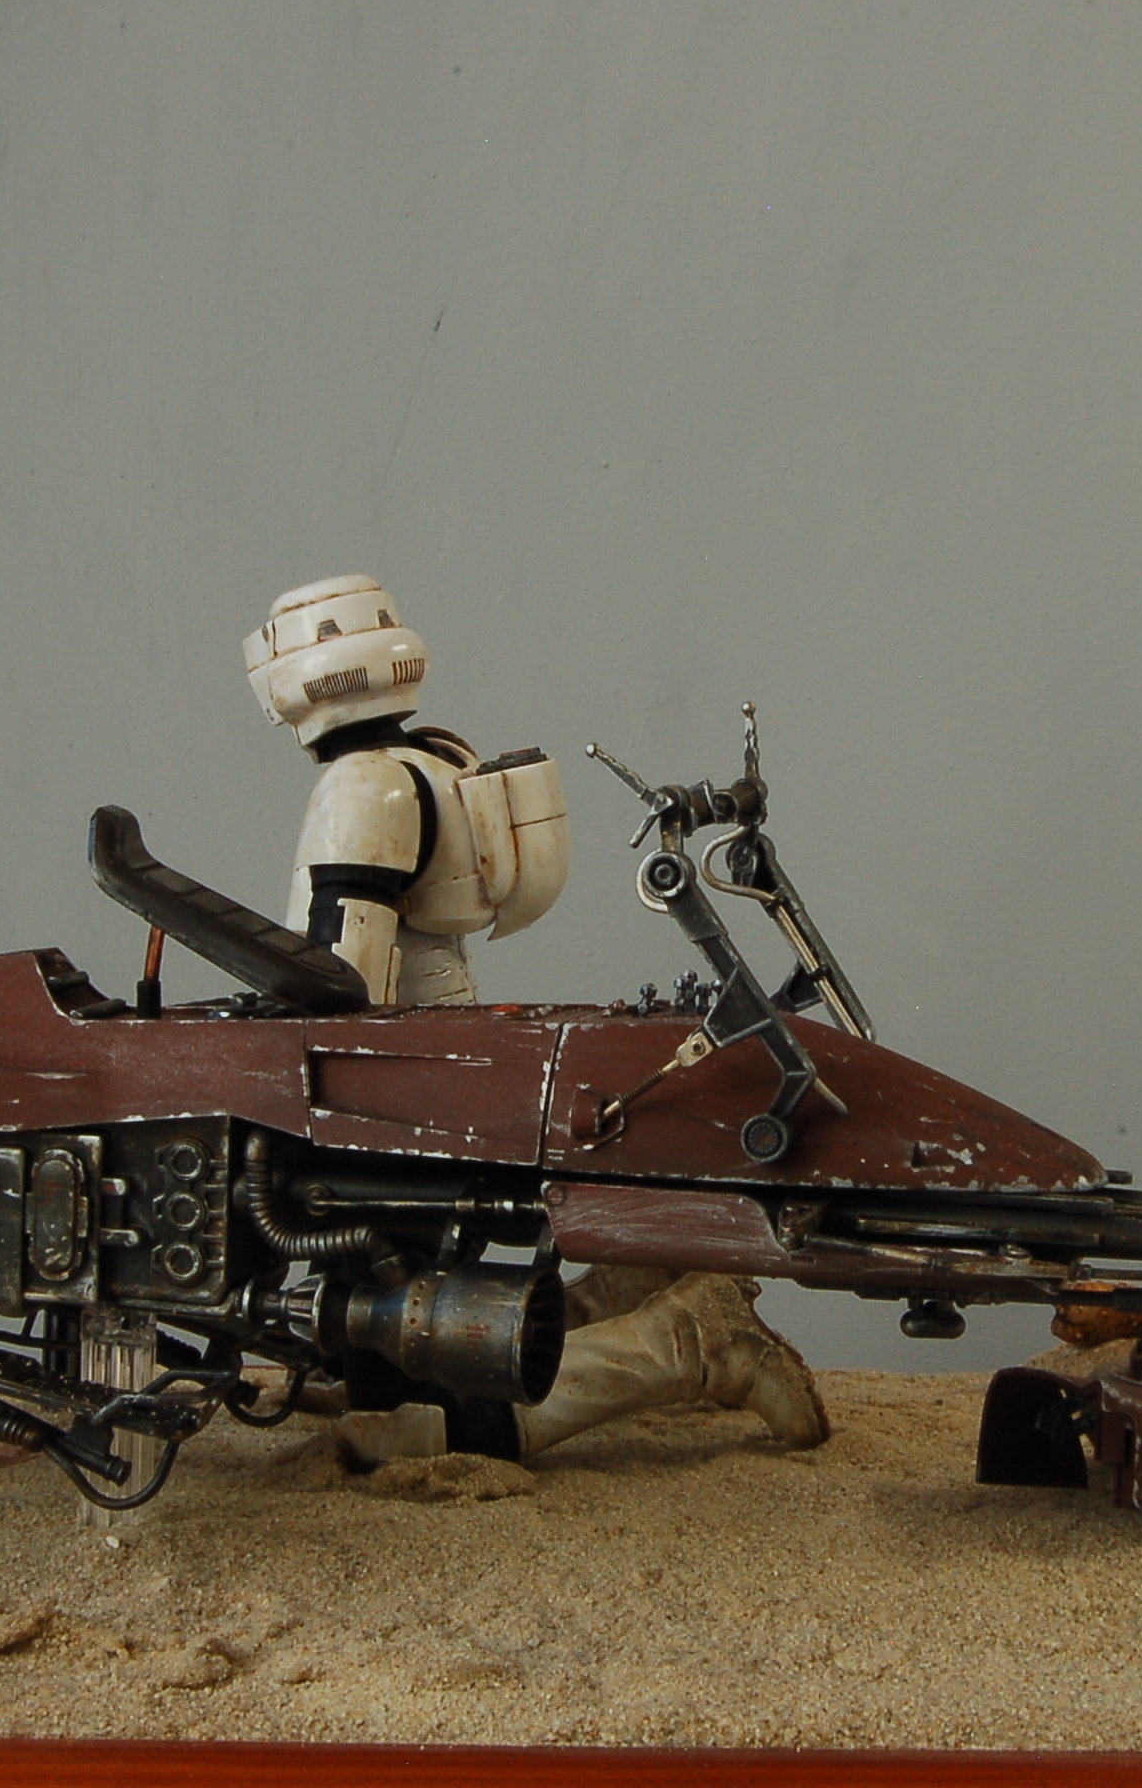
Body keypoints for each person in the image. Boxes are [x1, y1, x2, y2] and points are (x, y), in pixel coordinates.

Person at [242, 575, 828, 1460]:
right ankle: (596, 1309)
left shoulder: (362, 786)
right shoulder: (438, 758)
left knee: (367, 1230)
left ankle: (656, 1351)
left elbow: (344, 969)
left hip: (388, 1057)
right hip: (445, 1032)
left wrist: (273, 1057)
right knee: (402, 1241)